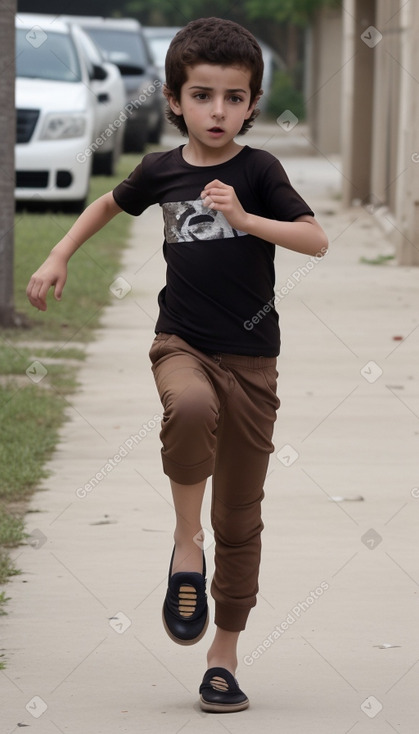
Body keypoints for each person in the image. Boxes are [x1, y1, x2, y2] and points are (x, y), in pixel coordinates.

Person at [26, 17, 328, 713]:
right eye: (201, 95)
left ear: (251, 103)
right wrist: (58, 253)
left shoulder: (259, 171)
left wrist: (249, 220)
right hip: (182, 344)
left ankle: (222, 656)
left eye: (232, 97)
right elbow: (108, 203)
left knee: (242, 521)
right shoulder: (162, 169)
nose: (216, 111)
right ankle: (183, 543)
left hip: (252, 360)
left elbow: (313, 239)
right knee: (188, 408)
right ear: (172, 99)